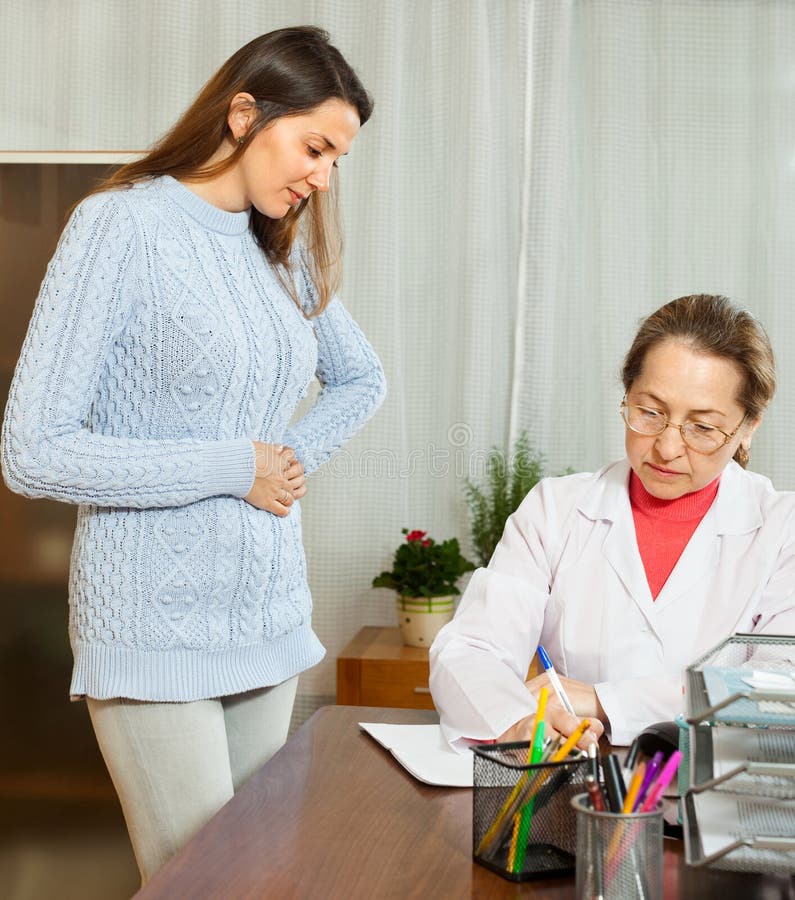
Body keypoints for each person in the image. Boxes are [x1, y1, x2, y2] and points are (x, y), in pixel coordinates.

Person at [1, 26, 385, 884]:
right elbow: (32, 452)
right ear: (245, 113)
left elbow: (362, 379)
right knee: (206, 883)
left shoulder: (276, 251)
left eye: (336, 160)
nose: (322, 176)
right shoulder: (118, 226)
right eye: (314, 146)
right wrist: (233, 467)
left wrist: (282, 465)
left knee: (263, 877)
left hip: (268, 617)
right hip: (149, 620)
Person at [430, 294, 795, 750]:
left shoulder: (782, 530)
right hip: (571, 779)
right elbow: (470, 651)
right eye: (649, 412)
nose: (666, 447)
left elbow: (780, 689)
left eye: (702, 427)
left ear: (747, 427)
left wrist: (606, 702)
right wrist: (515, 722)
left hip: (717, 789)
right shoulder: (556, 509)